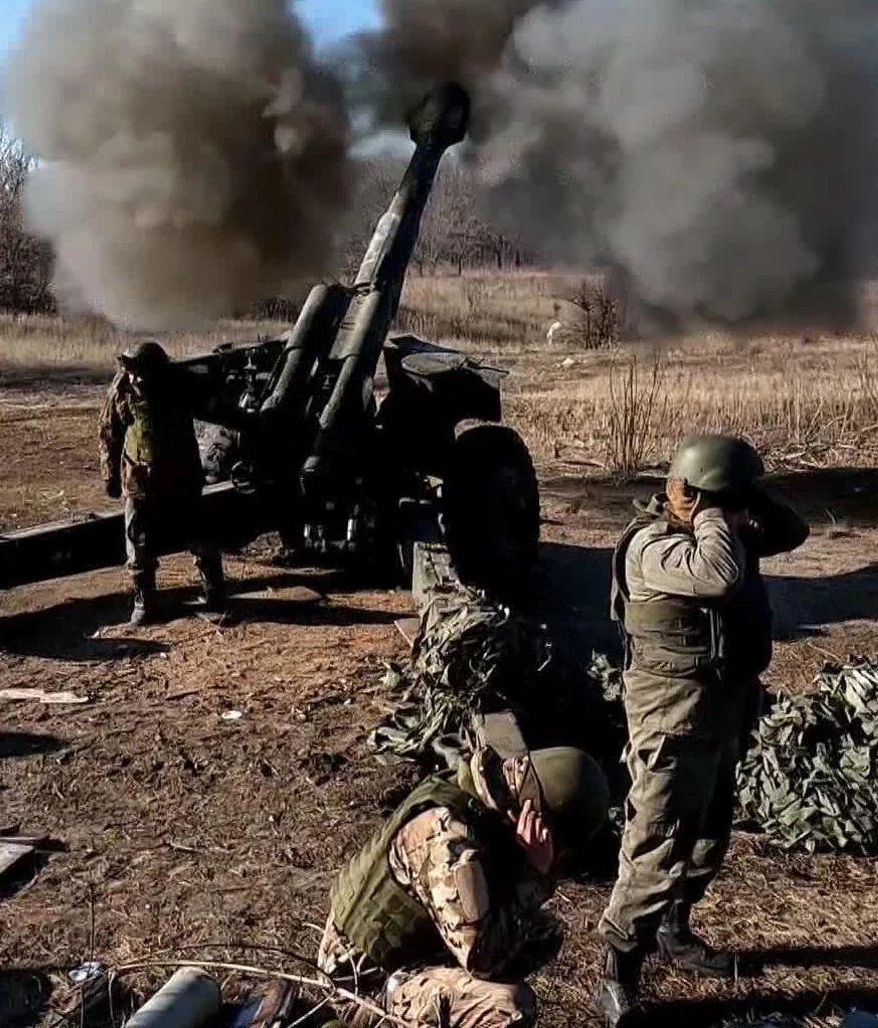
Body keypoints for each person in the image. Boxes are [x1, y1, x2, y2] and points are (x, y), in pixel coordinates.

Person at [595, 433, 808, 1026]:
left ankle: (672, 926)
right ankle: (617, 968)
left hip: (721, 706)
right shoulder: (652, 547)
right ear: (687, 494)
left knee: (711, 830)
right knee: (657, 837)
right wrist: (715, 514)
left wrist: (745, 501)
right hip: (670, 715)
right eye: (722, 498)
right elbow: (715, 575)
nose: (735, 511)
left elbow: (793, 532)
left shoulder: (727, 529)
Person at [317, 744, 612, 1028]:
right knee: (508, 1007)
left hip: (410, 951)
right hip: (361, 986)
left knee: (541, 935)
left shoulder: (487, 794)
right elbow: (481, 957)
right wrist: (534, 873)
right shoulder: (450, 841)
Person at [99, 340, 225, 624]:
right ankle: (144, 602)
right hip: (140, 480)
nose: (136, 378)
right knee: (137, 541)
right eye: (132, 372)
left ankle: (214, 589)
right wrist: (109, 476)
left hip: (183, 476)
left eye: (141, 373)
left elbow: (214, 409)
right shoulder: (124, 388)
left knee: (200, 534)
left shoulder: (182, 384)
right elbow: (109, 431)